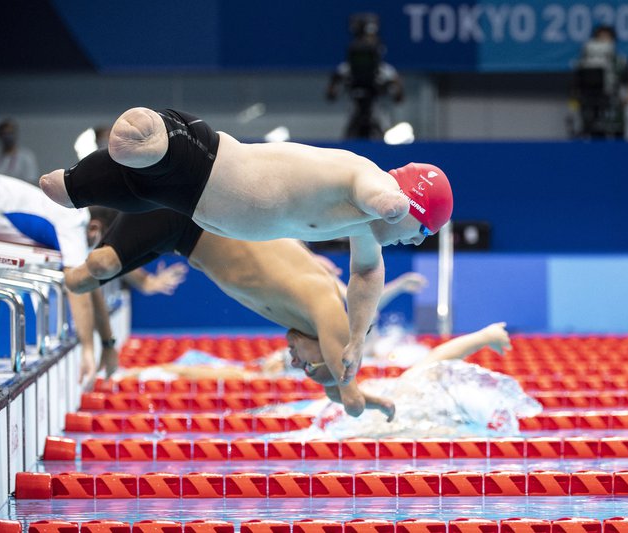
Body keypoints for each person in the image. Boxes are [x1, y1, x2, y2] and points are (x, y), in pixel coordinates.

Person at [39, 107, 453, 386]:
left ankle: (73, 186)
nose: (416, 240)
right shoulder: (371, 183)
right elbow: (378, 192)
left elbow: (367, 273)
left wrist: (358, 340)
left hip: (194, 207)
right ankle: (148, 130)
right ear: (412, 206)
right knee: (148, 150)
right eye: (422, 230)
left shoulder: (362, 227)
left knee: (107, 193)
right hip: (203, 161)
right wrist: (392, 204)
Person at [64, 209, 426, 417]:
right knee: (95, 267)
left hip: (178, 236)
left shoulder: (312, 308)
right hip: (186, 215)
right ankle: (62, 235)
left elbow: (337, 385)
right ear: (330, 347)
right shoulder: (327, 309)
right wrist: (372, 401)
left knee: (91, 275)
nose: (298, 365)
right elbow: (346, 395)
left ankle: (69, 245)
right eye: (311, 366)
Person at [286, 322, 542, 437]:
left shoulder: (409, 400)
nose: (297, 365)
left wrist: (485, 337)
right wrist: (484, 337)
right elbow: (436, 362)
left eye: (307, 363)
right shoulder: (408, 397)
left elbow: (436, 362)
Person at [0, 165, 113, 388]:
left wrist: (108, 344)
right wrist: (88, 351)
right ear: (95, 228)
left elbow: (91, 285)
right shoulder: (73, 221)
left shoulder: (77, 224)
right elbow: (78, 289)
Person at [326, 13, 404, 139]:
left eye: (371, 38)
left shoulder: (385, 72)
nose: (367, 42)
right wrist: (336, 81)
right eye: (363, 38)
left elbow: (399, 98)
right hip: (353, 117)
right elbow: (330, 96)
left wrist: (393, 84)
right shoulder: (345, 70)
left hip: (378, 117)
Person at [571, 25, 628, 139]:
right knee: (597, 139)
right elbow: (575, 86)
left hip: (614, 106)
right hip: (591, 106)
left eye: (607, 38)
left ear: (613, 40)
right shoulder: (584, 62)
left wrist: (627, 99)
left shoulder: (621, 61)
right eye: (600, 38)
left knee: (619, 140)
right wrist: (576, 103)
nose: (603, 41)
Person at [0, 118, 39, 185]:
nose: (7, 137)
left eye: (10, 133)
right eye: (4, 134)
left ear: (15, 134)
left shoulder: (26, 157)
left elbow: (31, 181)